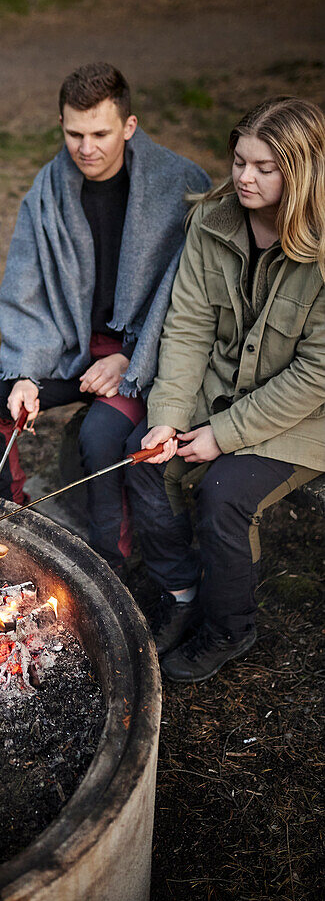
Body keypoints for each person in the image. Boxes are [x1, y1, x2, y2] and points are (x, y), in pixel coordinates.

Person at [0, 62, 210, 570]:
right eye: (74, 133)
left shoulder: (179, 184)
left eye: (100, 133)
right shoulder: (49, 188)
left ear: (130, 126)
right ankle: (12, 522)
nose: (86, 148)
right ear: (61, 126)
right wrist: (27, 372)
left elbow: (187, 298)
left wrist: (127, 358)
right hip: (68, 346)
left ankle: (107, 568)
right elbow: (24, 283)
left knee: (100, 439)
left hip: (143, 354)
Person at [126, 96, 325, 682]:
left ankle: (229, 627)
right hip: (222, 391)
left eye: (265, 168)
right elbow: (186, 329)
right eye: (240, 160)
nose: (244, 177)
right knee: (144, 458)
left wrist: (224, 434)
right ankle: (181, 591)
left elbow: (316, 373)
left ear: (303, 172)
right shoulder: (212, 222)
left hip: (305, 416)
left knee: (223, 495)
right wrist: (167, 415)